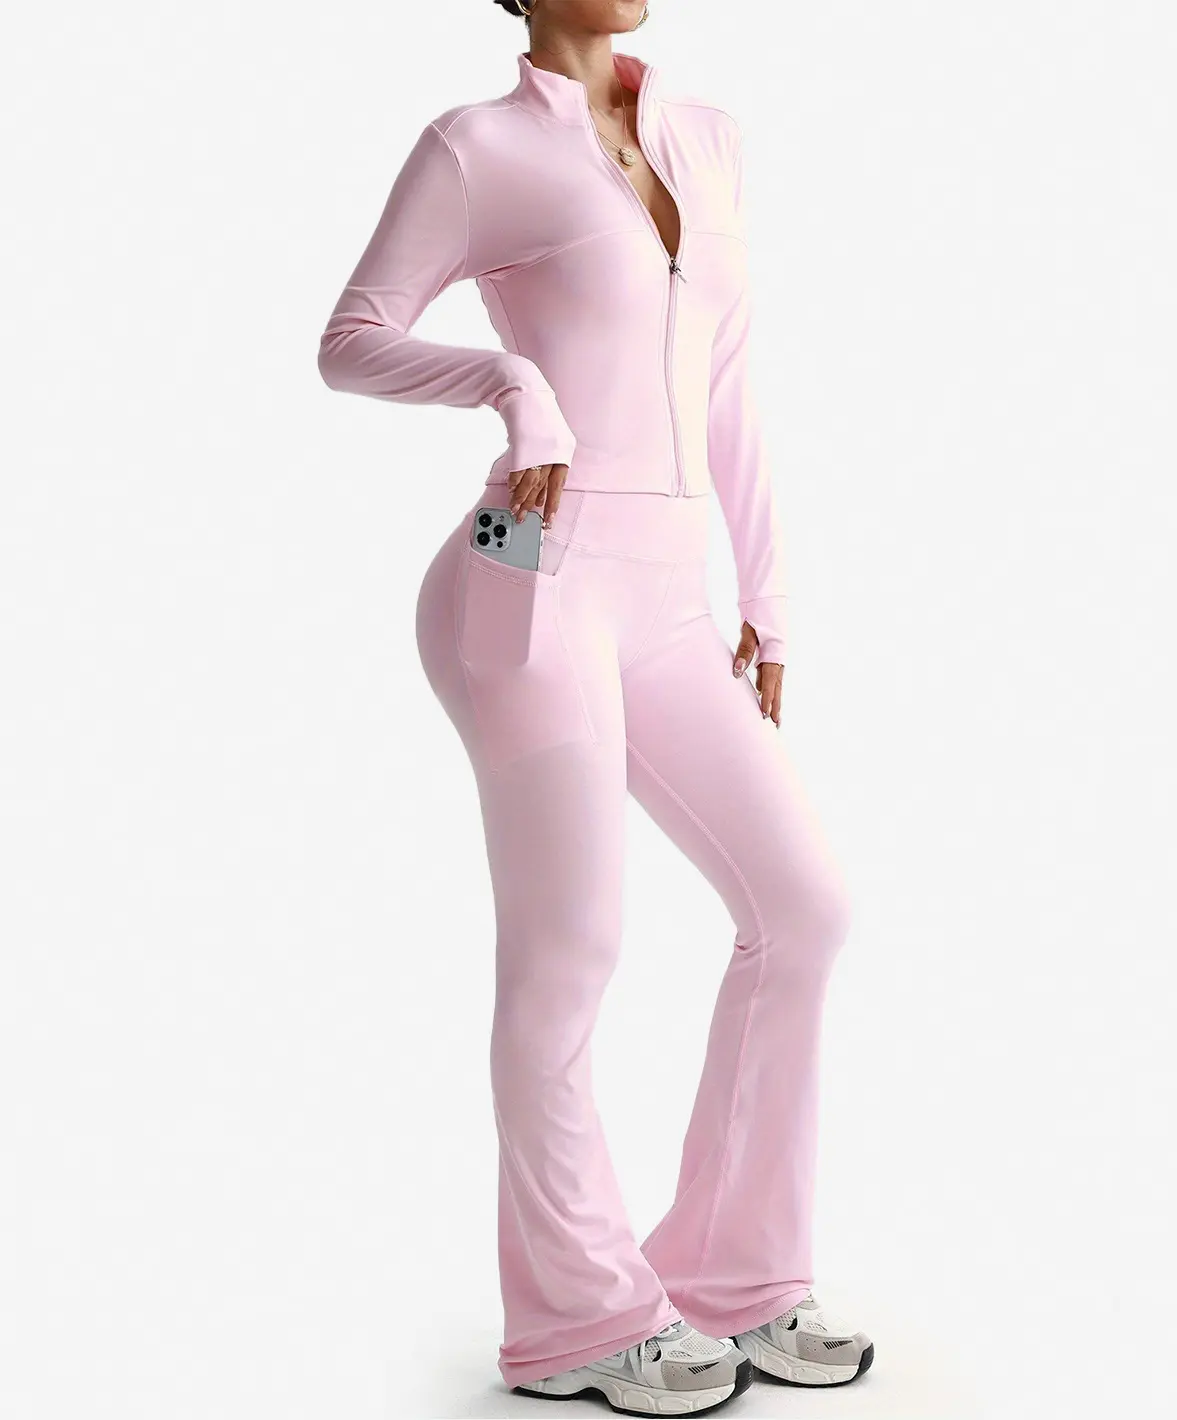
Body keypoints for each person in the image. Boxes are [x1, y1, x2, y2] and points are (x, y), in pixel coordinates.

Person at [316, 1, 872, 1411]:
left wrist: (770, 598)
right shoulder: (476, 148)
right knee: (571, 949)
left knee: (803, 910)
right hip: (531, 582)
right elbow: (351, 339)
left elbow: (729, 385)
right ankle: (579, 1320)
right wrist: (512, 386)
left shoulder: (710, 140)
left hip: (673, 603)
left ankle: (736, 1275)